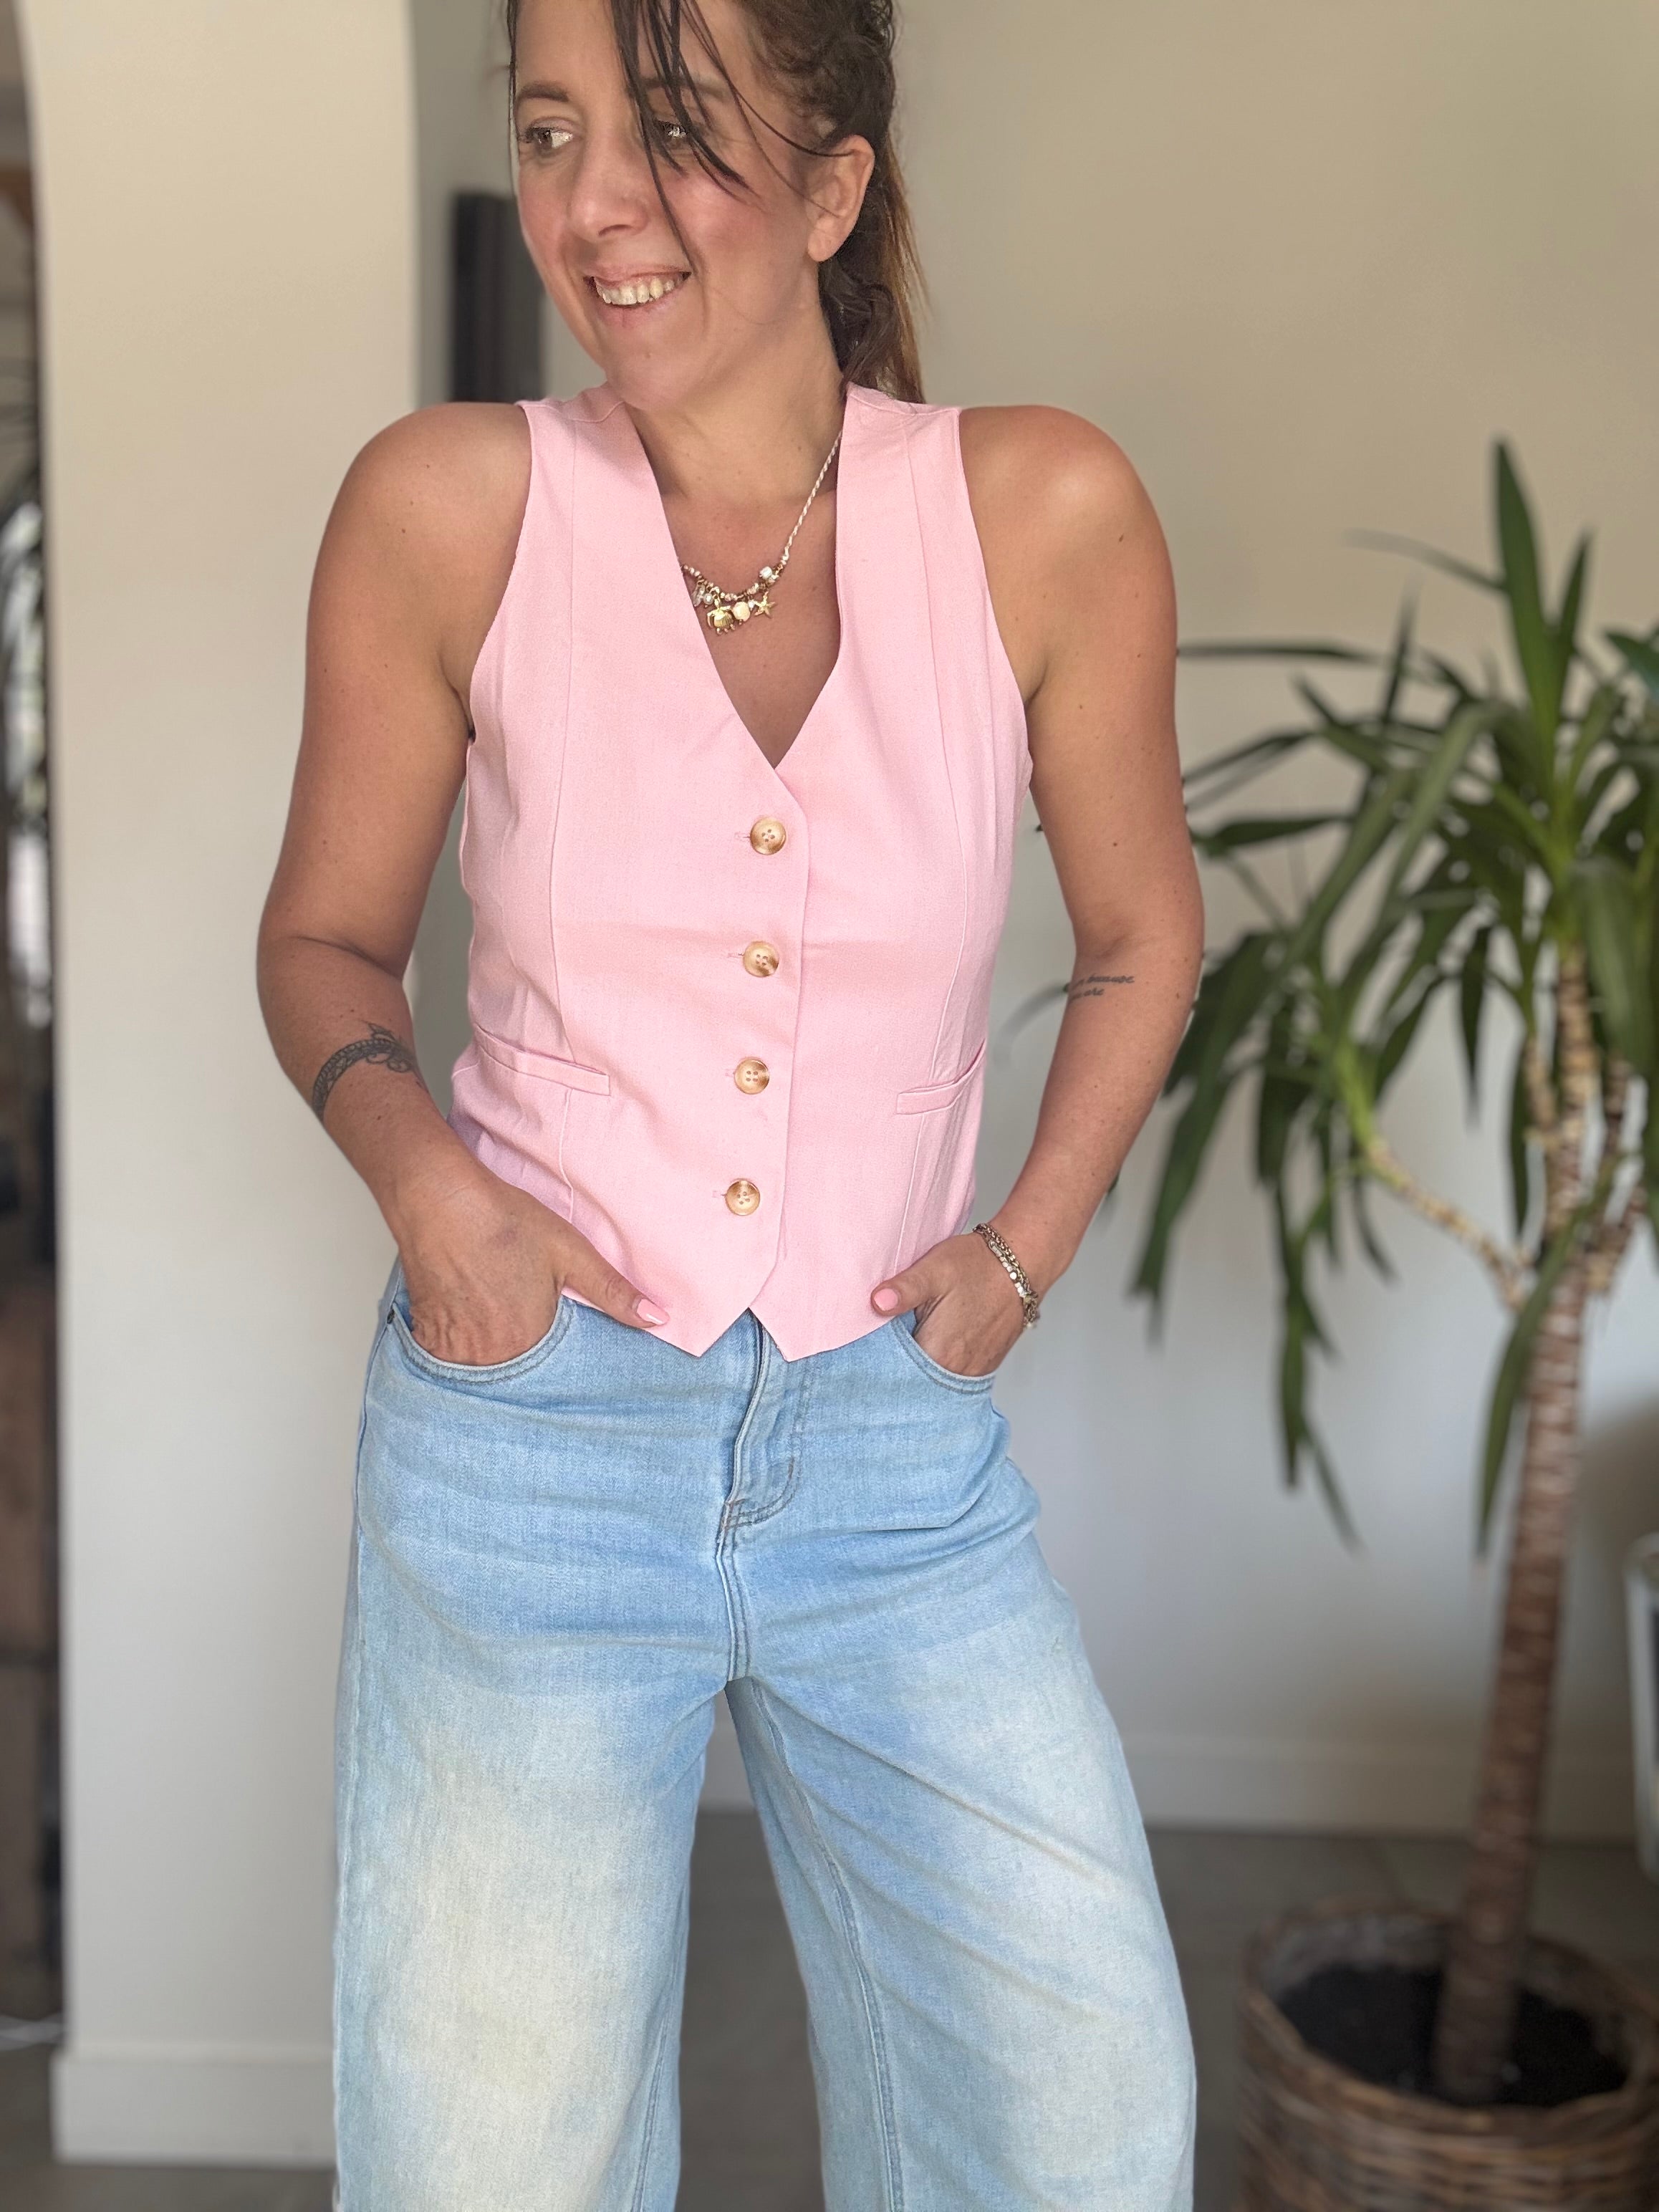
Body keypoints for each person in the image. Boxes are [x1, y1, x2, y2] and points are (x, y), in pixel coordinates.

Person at [257, 0, 1204, 2201]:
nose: (593, 205)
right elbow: (322, 944)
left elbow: (1143, 935)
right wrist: (435, 1203)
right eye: (549, 131)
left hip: (893, 1447)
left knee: (1072, 2118)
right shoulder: (448, 505)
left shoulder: (1040, 510)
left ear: (835, 182)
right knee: (491, 2161)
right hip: (528, 1436)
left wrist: (1024, 1248)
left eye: (671, 132)